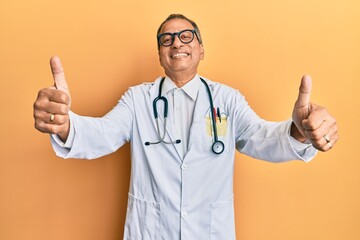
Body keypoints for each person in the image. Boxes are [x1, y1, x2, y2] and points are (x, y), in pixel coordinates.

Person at [33, 14, 338, 240]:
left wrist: (299, 132)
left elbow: (261, 138)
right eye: (166, 39)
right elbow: (103, 134)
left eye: (186, 36)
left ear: (201, 49)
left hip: (209, 232)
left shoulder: (226, 100)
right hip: (151, 232)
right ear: (160, 55)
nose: (176, 42)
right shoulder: (138, 99)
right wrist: (64, 124)